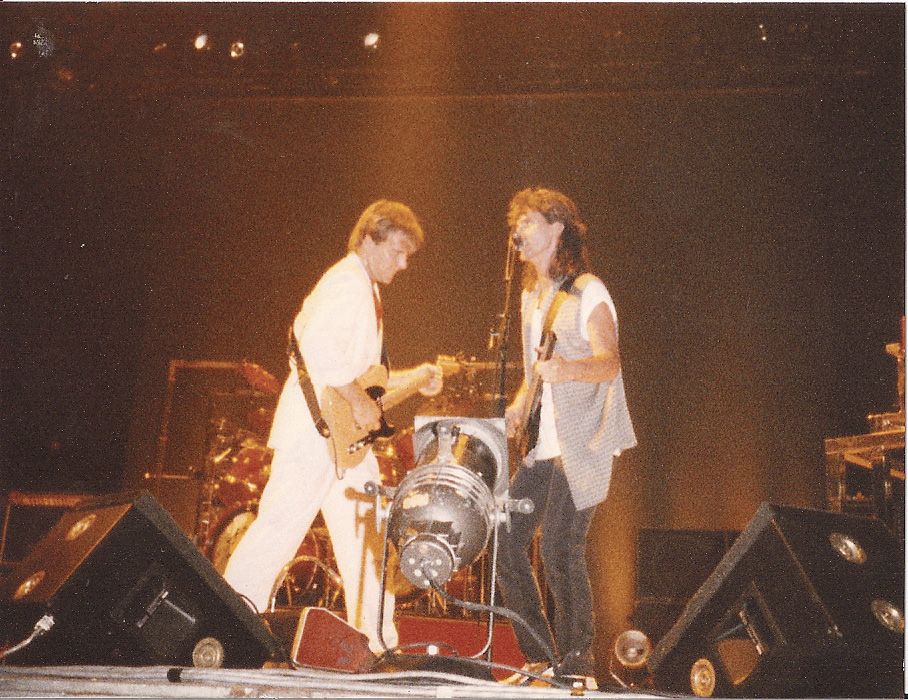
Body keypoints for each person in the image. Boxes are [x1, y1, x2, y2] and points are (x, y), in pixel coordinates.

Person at [223, 200, 443, 654]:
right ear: (369, 238)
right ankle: (228, 625)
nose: (403, 264)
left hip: (340, 441)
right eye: (398, 251)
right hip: (317, 435)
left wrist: (416, 377)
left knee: (367, 539)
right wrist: (360, 401)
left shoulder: (364, 288)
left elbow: (362, 381)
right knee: (279, 531)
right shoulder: (347, 283)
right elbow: (318, 347)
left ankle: (379, 643)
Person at [497, 187, 636, 686]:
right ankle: (541, 660)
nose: (519, 233)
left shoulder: (588, 289)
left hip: (586, 440)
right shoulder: (533, 293)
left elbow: (608, 361)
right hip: (544, 442)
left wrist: (564, 370)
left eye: (529, 222)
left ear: (557, 228)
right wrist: (519, 404)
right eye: (517, 224)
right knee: (506, 540)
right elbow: (538, 369)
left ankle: (578, 669)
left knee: (558, 546)